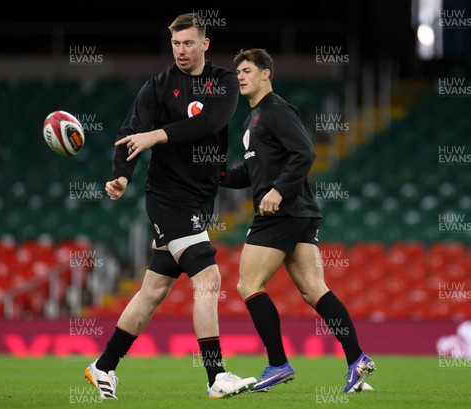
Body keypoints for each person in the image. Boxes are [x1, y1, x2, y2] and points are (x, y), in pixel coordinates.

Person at [84, 13, 256, 399]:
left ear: (205, 44)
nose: (181, 50)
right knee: (208, 279)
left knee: (153, 291)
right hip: (168, 198)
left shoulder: (223, 83)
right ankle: (216, 376)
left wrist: (156, 136)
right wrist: (122, 175)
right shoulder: (158, 86)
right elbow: (130, 133)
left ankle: (103, 366)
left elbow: (212, 122)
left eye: (189, 43)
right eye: (176, 43)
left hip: (199, 197)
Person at [221, 48, 376, 393]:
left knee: (248, 286)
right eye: (238, 73)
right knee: (313, 289)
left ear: (266, 74)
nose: (241, 77)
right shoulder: (253, 119)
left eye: (248, 70)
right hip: (300, 212)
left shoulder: (276, 110)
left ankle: (278, 364)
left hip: (282, 211)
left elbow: (305, 153)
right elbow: (250, 172)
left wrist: (278, 191)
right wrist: (218, 176)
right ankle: (357, 360)